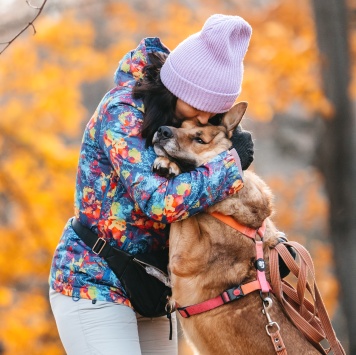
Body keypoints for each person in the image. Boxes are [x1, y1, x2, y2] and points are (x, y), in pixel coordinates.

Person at [49, 14, 254, 355]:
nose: (204, 119)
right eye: (201, 106)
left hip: (154, 288)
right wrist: (229, 166)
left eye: (213, 113)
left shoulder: (185, 124)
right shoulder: (122, 112)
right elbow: (161, 202)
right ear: (181, 87)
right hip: (94, 281)